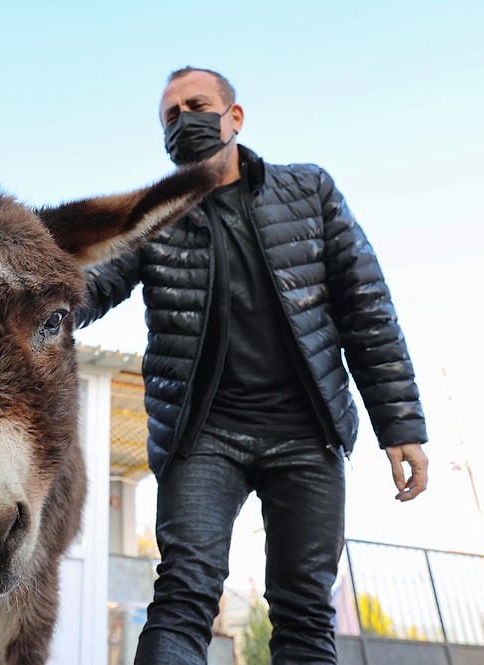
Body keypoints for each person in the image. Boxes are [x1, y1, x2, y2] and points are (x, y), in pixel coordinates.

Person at [79, 67, 429, 664]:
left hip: (306, 434)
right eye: (171, 115)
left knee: (305, 612)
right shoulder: (151, 215)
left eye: (197, 105)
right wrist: (17, 292)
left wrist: (399, 425)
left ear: (233, 117)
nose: (184, 120)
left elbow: (366, 308)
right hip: (203, 436)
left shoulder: (309, 190)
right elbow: (89, 286)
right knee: (183, 594)